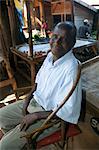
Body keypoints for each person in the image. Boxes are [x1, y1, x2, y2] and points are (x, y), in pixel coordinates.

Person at [0, 21, 82, 150]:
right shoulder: (50, 56)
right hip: (35, 102)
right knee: (1, 117)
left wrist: (35, 116)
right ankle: (18, 141)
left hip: (50, 116)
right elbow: (38, 82)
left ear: (72, 44)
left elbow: (66, 110)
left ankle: (15, 141)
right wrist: (27, 98)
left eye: (63, 39)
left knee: (4, 146)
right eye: (55, 36)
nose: (57, 42)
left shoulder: (72, 69)